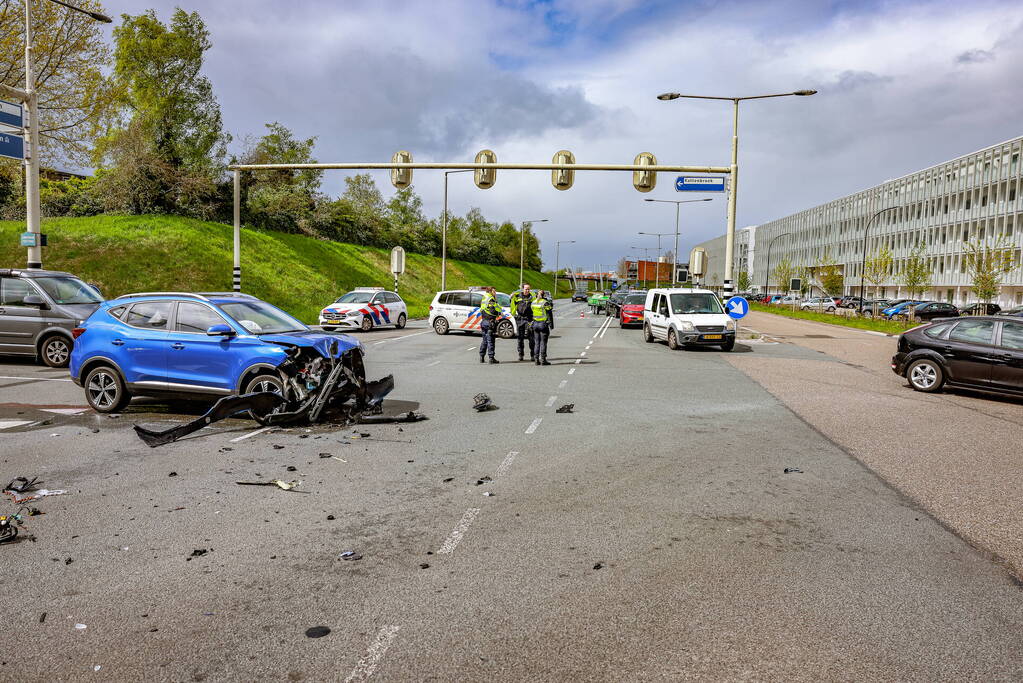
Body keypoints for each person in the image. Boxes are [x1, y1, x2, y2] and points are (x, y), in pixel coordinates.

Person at [509, 283, 536, 361]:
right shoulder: (517, 296)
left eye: (528, 289)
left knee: (531, 338)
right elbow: (512, 304)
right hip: (520, 319)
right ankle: (521, 354)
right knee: (520, 338)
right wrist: (514, 315)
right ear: (522, 289)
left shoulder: (532, 297)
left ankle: (532, 355)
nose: (527, 290)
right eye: (526, 289)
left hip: (529, 319)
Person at [478, 286, 501, 364]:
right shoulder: (491, 299)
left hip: (484, 321)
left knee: (485, 340)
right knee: (491, 340)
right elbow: (492, 310)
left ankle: (481, 356)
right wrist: (498, 313)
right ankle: (491, 358)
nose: (495, 293)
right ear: (490, 291)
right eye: (494, 291)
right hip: (489, 322)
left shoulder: (485, 297)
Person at [530, 290, 554, 365]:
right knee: (543, 342)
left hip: (535, 324)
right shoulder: (544, 302)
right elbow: (549, 311)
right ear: (544, 295)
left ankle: (536, 360)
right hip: (543, 324)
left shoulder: (533, 302)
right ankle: (543, 360)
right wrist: (551, 324)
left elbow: (531, 311)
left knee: (537, 342)